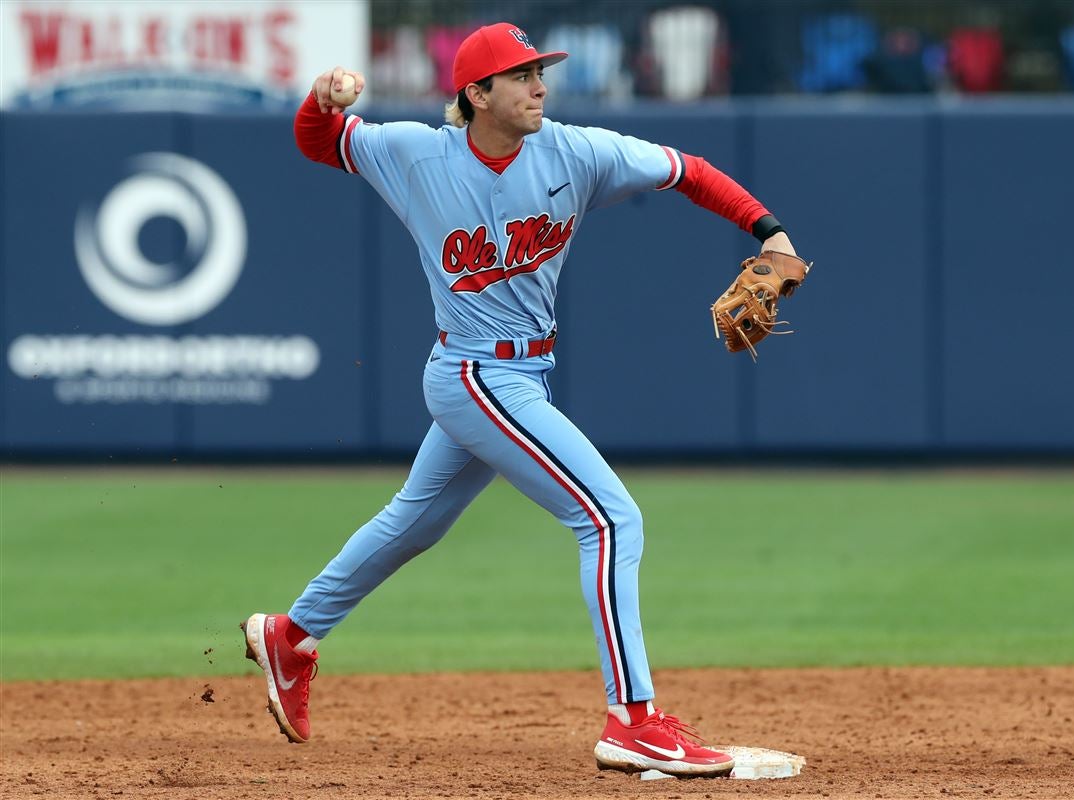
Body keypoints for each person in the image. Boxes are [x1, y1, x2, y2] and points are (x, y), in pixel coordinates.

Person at [242, 22, 797, 778]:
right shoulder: (413, 154)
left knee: (414, 521)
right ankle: (632, 720)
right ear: (476, 93)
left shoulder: (574, 152)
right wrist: (318, 99)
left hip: (520, 376)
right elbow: (320, 141)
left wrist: (769, 232)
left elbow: (687, 170)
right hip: (474, 375)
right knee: (608, 518)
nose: (539, 86)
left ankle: (291, 636)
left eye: (541, 72)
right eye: (521, 75)